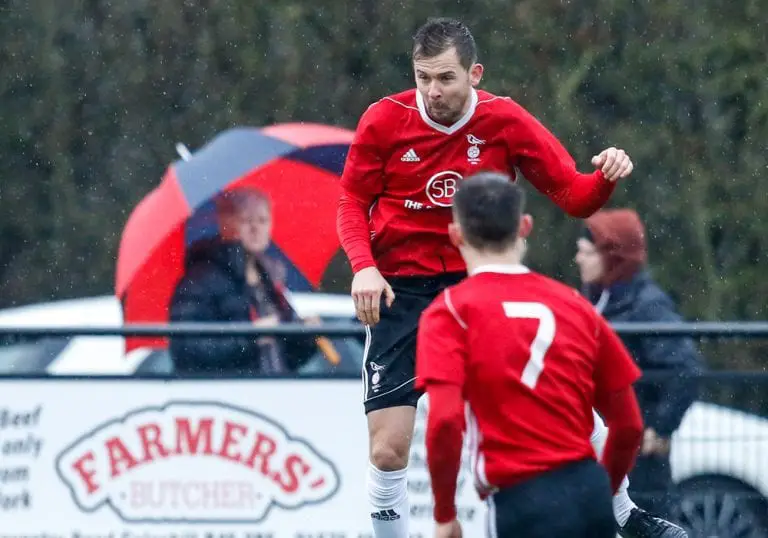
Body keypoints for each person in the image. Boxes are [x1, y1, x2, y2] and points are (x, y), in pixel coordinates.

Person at [337, 16, 684, 538]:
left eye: (445, 78)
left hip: (479, 284)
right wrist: (363, 267)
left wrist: (605, 177)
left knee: (563, 403)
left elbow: (572, 195)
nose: (432, 91)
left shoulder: (506, 120)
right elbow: (351, 199)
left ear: (475, 73)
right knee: (387, 448)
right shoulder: (384, 120)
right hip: (399, 290)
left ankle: (623, 513)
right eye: (422, 77)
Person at [415, 172, 644, 538]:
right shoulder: (573, 304)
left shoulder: (450, 312)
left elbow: (443, 421)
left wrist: (445, 513)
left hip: (522, 501)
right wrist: (604, 488)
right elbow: (629, 422)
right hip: (588, 495)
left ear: (455, 235)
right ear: (525, 226)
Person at [576, 208, 703, 525]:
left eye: (587, 253)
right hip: (604, 443)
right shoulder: (596, 298)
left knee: (642, 523)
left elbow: (686, 368)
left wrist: (659, 427)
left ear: (612, 257)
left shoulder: (647, 305)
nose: (579, 260)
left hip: (637, 454)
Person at [169, 187, 318, 375]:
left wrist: (305, 337)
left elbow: (288, 357)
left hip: (276, 394)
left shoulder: (269, 279)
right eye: (247, 220)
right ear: (226, 224)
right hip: (232, 397)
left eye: (263, 220)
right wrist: (250, 338)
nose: (256, 228)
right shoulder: (200, 279)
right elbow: (186, 351)